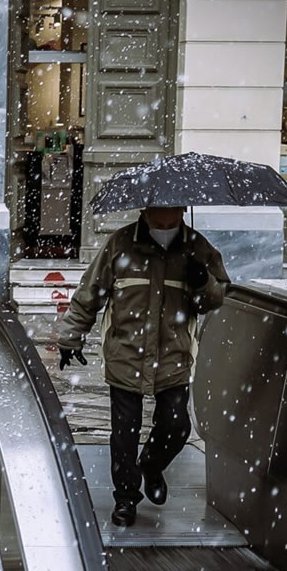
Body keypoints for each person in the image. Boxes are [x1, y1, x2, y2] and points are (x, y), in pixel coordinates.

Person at [58, 206, 229, 528]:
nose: (165, 223)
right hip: (126, 355)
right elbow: (89, 295)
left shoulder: (197, 247)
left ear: (181, 210)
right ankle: (126, 498)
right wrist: (71, 337)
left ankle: (151, 465)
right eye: (158, 216)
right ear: (145, 211)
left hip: (173, 356)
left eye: (172, 216)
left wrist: (203, 282)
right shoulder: (120, 245)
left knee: (177, 427)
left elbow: (215, 298)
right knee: (124, 433)